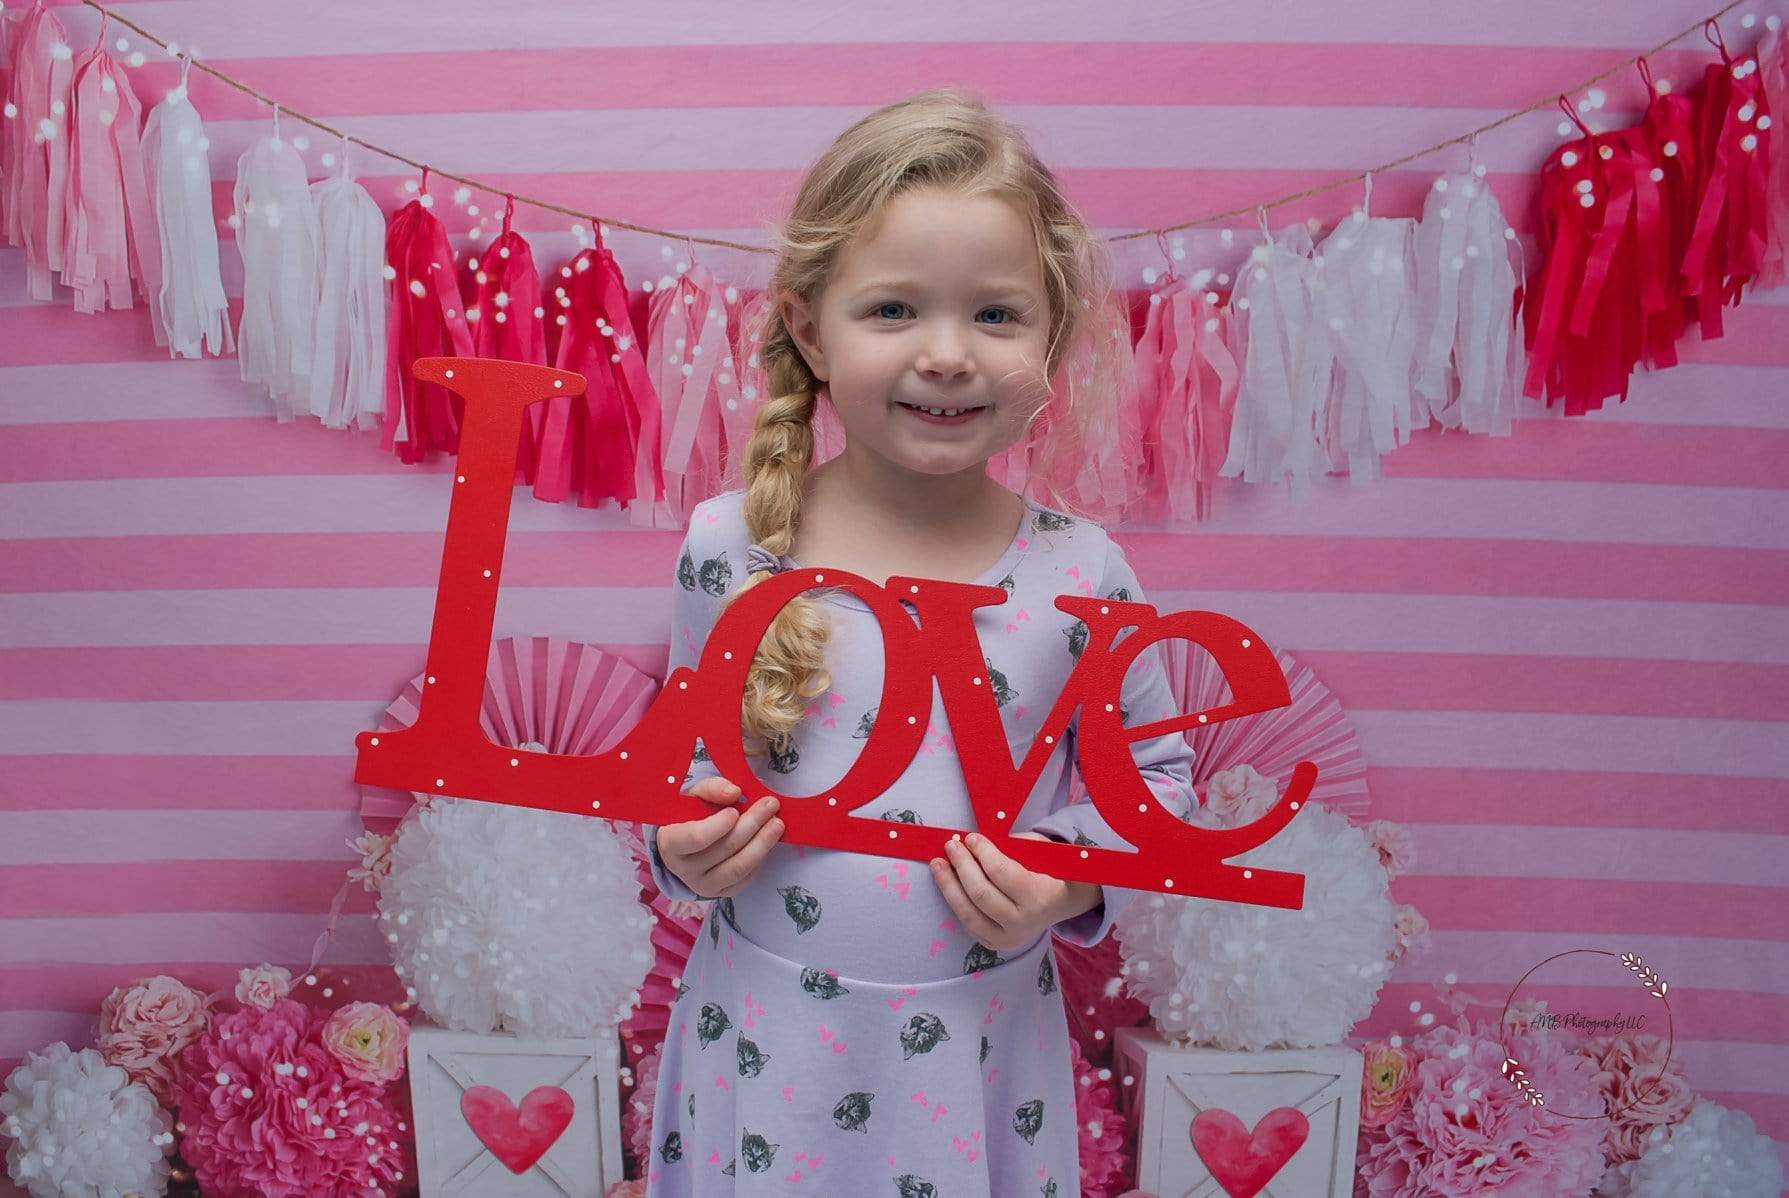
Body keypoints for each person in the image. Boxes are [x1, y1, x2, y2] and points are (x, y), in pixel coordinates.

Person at [641, 87, 1197, 1197]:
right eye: (893, 309)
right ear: (810, 329)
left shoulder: (1082, 573)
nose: (947, 354)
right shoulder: (729, 547)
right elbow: (678, 769)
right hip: (765, 1038)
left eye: (996, 315)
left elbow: (1158, 786)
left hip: (979, 1052)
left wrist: (1065, 880)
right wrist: (678, 848)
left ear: (1052, 340)